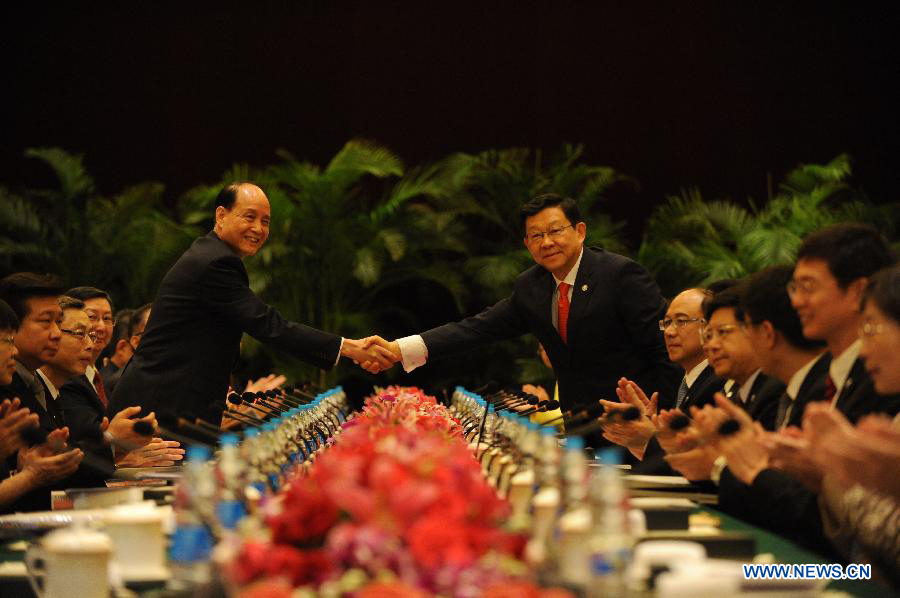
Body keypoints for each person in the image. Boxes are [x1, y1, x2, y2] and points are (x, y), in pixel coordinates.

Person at [373, 193, 680, 429]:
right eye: (536, 235)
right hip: (580, 429)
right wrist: (400, 349)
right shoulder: (531, 287)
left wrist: (663, 421)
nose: (547, 242)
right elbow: (476, 329)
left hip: (636, 422)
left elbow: (665, 351)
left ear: (580, 231)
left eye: (555, 231)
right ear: (526, 243)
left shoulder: (619, 275)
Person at [109, 182, 397, 420]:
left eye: (265, 221)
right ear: (221, 216)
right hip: (158, 405)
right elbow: (269, 325)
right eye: (249, 217)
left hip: (173, 401)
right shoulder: (215, 263)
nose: (258, 229)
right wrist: (349, 347)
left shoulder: (211, 255)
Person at [597, 288, 723, 465]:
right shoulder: (687, 383)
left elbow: (699, 459)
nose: (669, 332)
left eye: (681, 321)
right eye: (667, 322)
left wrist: (653, 437)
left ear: (710, 327)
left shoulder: (717, 383)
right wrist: (646, 434)